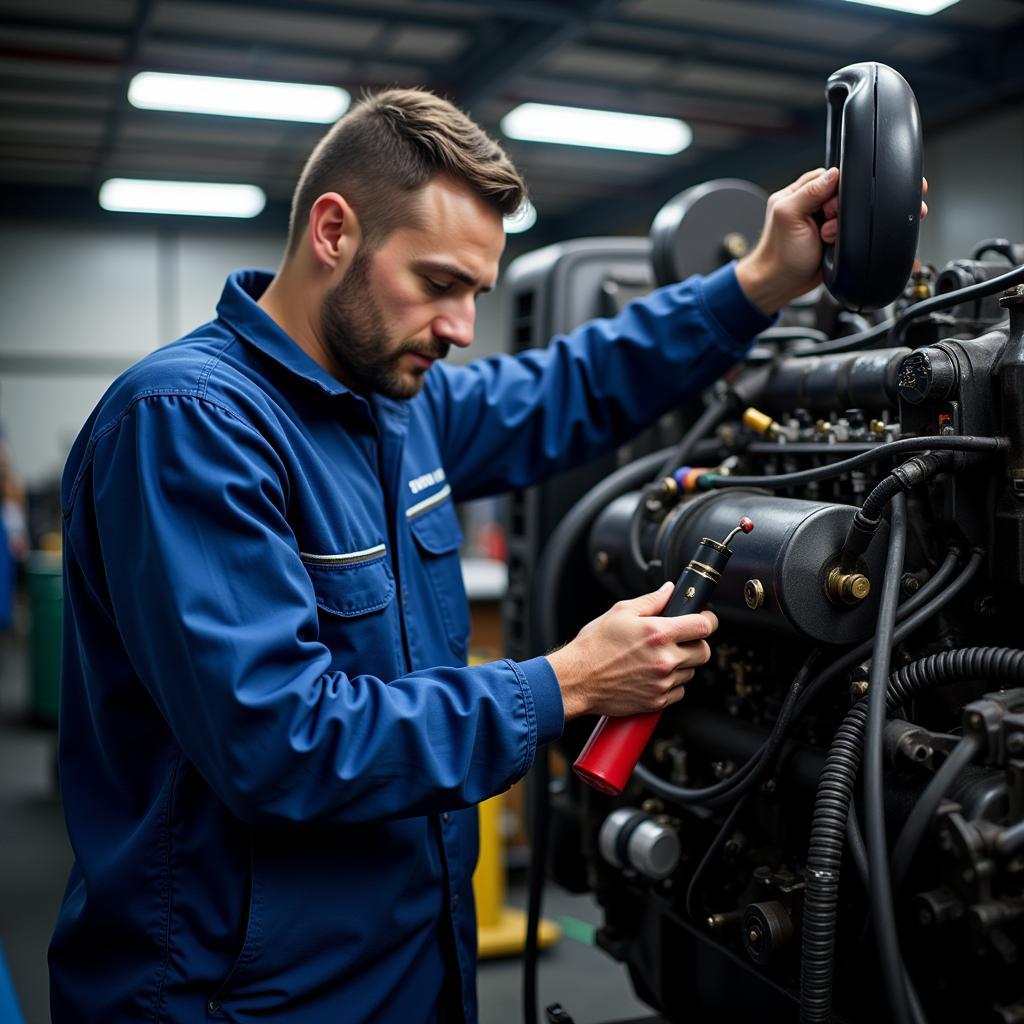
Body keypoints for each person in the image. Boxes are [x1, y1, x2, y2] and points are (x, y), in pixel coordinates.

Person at [51, 88, 849, 1023]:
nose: (463, 327)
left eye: (477, 291)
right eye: (437, 284)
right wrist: (563, 683)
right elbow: (280, 743)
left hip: (411, 966)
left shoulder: (397, 408)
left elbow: (572, 385)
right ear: (334, 231)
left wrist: (758, 279)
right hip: (240, 998)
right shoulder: (190, 425)